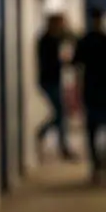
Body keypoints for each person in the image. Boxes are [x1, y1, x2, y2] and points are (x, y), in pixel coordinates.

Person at [73, 8, 106, 183]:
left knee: (94, 129)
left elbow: (75, 64)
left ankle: (99, 164)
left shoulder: (84, 41)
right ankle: (105, 161)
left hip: (94, 89)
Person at [34, 13, 75, 161]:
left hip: (54, 80)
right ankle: (44, 134)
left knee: (60, 114)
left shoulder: (53, 39)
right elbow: (53, 62)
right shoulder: (47, 40)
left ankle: (62, 146)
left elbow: (72, 38)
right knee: (60, 114)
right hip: (48, 81)